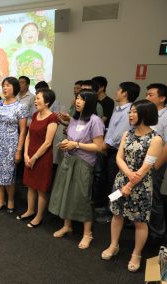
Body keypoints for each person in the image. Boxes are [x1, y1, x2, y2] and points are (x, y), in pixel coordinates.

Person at [102, 100, 163, 272]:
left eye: (134, 112)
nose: (130, 115)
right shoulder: (127, 134)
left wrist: (130, 183)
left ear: (145, 114)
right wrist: (128, 176)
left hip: (141, 185)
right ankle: (113, 245)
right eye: (130, 112)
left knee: (139, 221)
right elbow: (119, 158)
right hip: (121, 181)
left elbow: (146, 166)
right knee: (116, 214)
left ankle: (136, 254)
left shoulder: (156, 139)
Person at [48, 90, 104, 249]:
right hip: (68, 160)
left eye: (82, 99)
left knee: (82, 196)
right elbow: (71, 138)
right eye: (77, 98)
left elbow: (98, 146)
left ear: (90, 102)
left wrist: (76, 145)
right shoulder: (75, 118)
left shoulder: (95, 121)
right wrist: (66, 143)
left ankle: (88, 234)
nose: (77, 101)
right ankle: (67, 225)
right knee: (66, 193)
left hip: (83, 163)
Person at [94, 82, 140, 224]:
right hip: (110, 149)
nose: (116, 91)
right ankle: (109, 207)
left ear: (125, 93)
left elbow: (120, 133)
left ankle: (113, 212)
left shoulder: (129, 110)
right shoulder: (118, 109)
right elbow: (110, 130)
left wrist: (105, 145)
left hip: (118, 152)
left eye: (119, 89)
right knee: (109, 181)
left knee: (116, 183)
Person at [0, 77, 28, 213]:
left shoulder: (20, 106)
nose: (4, 88)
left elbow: (23, 131)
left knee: (9, 174)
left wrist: (19, 150)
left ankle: (10, 201)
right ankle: (0, 201)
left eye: (8, 85)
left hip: (11, 144)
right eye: (3, 85)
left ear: (14, 88)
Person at [20, 89, 58, 227]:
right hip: (29, 155)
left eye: (38, 99)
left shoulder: (53, 118)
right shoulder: (35, 115)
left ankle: (39, 216)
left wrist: (34, 157)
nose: (35, 101)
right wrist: (25, 154)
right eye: (35, 98)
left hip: (42, 157)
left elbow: (48, 142)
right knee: (30, 185)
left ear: (47, 102)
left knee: (41, 188)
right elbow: (28, 136)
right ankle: (30, 210)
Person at [146, 83, 167, 243]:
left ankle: (158, 232)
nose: (147, 97)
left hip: (155, 163)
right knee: (142, 194)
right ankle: (141, 222)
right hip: (142, 161)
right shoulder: (149, 114)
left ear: (162, 98)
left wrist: (155, 166)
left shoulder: (165, 116)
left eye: (150, 94)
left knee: (153, 195)